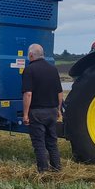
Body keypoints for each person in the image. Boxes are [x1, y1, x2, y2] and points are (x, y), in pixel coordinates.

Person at [21, 43, 63, 173]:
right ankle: (57, 168)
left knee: (39, 143)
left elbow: (28, 94)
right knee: (52, 142)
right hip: (52, 111)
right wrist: (58, 110)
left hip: (37, 112)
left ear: (31, 55)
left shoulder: (29, 70)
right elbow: (60, 93)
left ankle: (43, 171)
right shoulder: (53, 69)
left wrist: (25, 114)